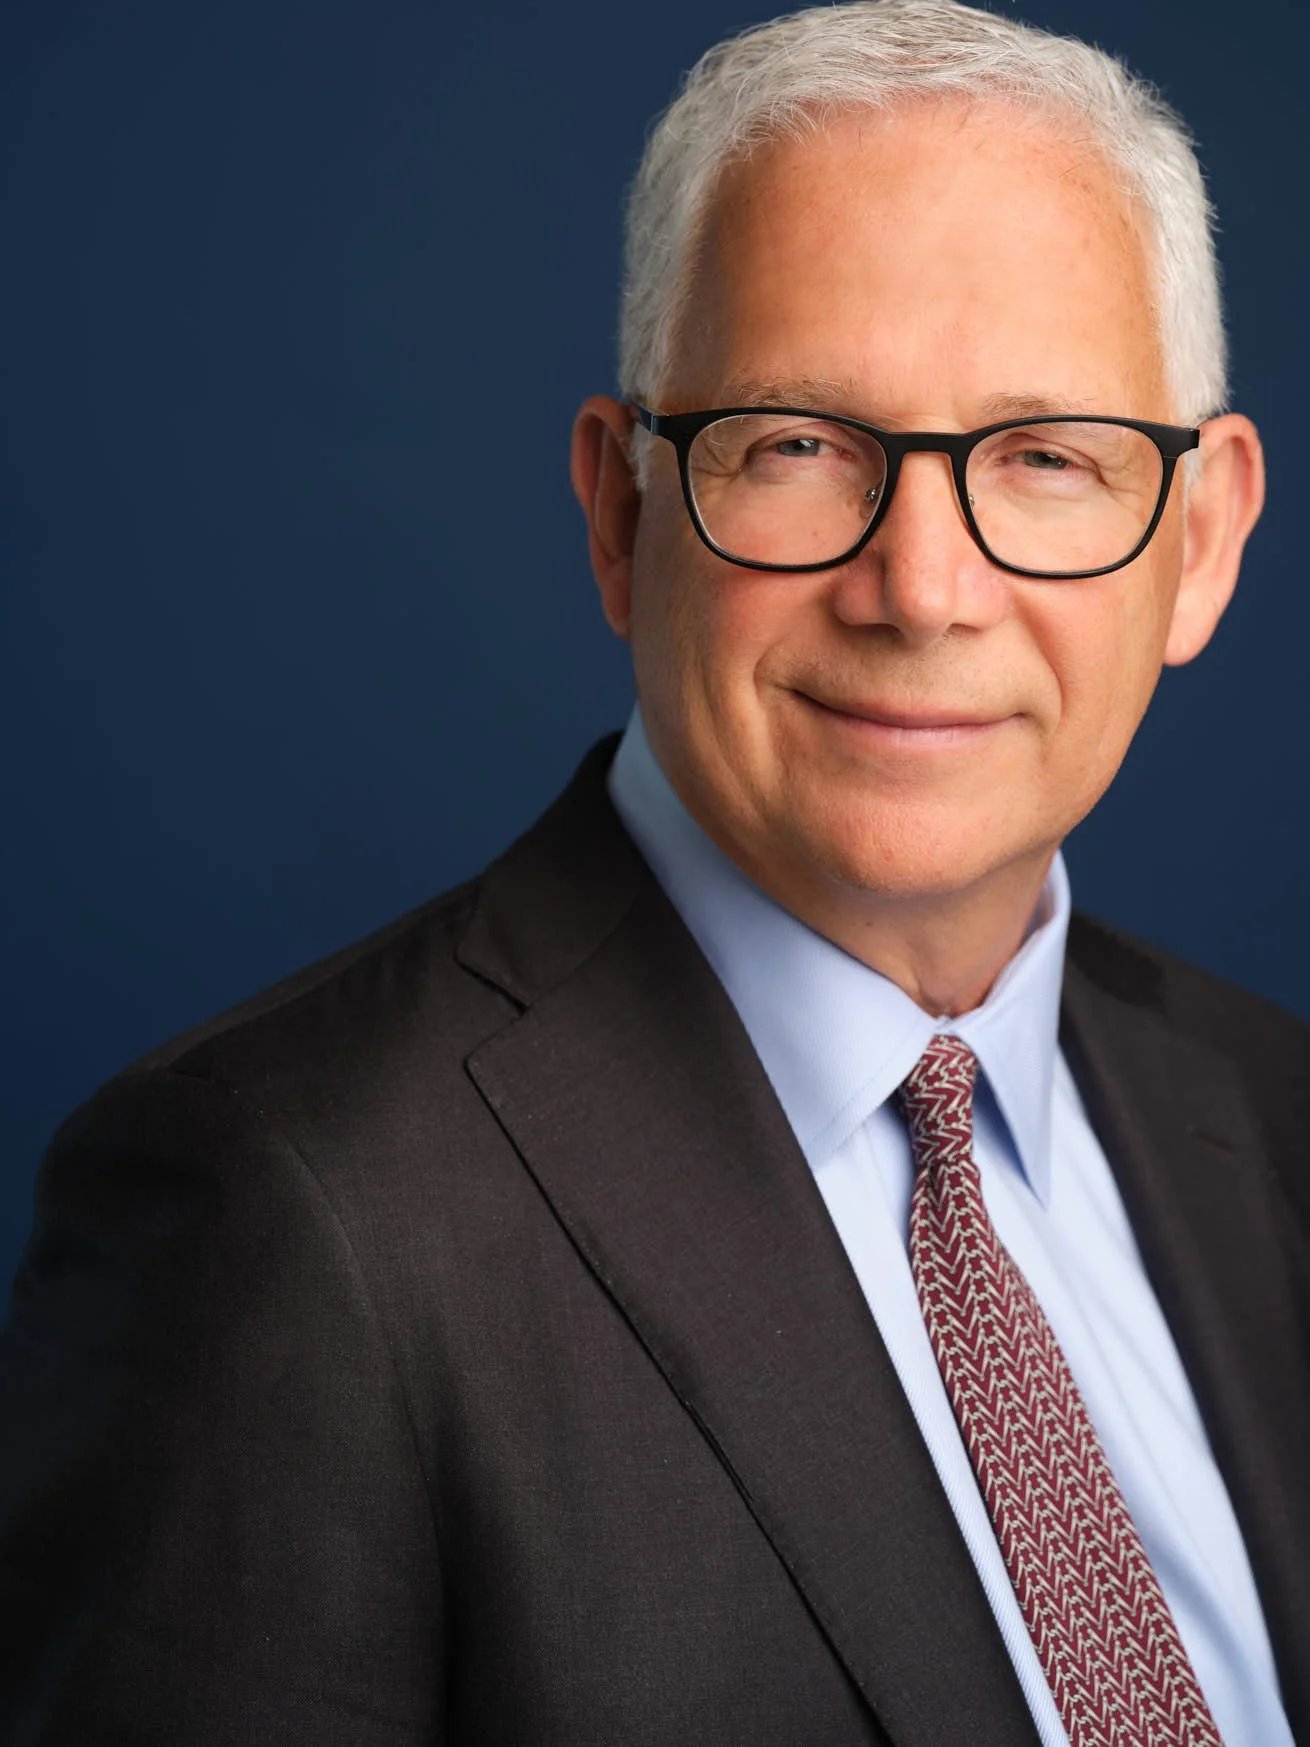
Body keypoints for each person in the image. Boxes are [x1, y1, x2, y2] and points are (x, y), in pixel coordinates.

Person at [1, 1, 1306, 1741]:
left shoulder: (1274, 1116)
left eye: (1044, 458)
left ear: (1200, 541)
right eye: (794, 446)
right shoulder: (285, 1212)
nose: (920, 588)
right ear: (621, 515)